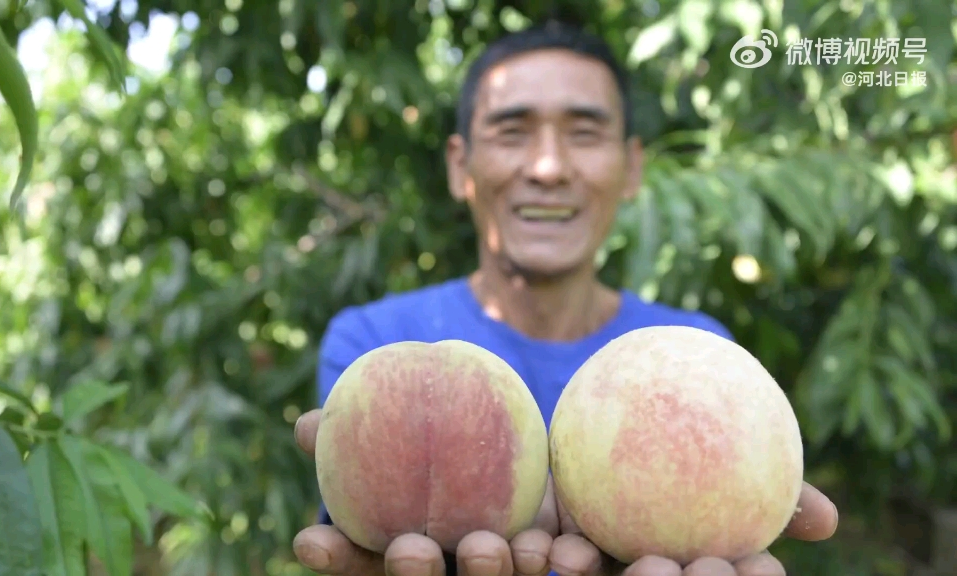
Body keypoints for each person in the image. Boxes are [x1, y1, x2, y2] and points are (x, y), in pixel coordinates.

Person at [291, 21, 838, 576]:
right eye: (512, 131)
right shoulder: (375, 340)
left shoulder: (698, 349)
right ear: (460, 166)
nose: (548, 168)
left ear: (632, 167)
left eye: (584, 133)